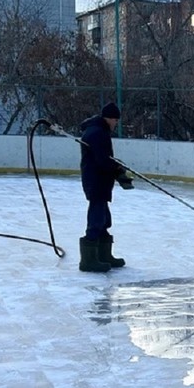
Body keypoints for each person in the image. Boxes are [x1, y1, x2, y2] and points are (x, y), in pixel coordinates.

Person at [78, 102, 133, 272]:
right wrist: (116, 168)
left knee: (104, 219)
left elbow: (104, 158)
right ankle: (88, 261)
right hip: (96, 181)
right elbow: (102, 160)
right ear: (109, 118)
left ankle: (103, 255)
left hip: (100, 181)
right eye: (115, 120)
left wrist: (117, 167)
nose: (115, 123)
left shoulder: (98, 131)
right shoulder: (97, 133)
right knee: (96, 219)